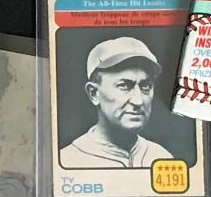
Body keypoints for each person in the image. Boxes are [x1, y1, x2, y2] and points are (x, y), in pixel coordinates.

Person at [58, 37, 174, 170]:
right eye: (124, 85)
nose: (138, 101)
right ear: (94, 93)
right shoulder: (68, 161)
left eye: (146, 86)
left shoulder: (162, 158)